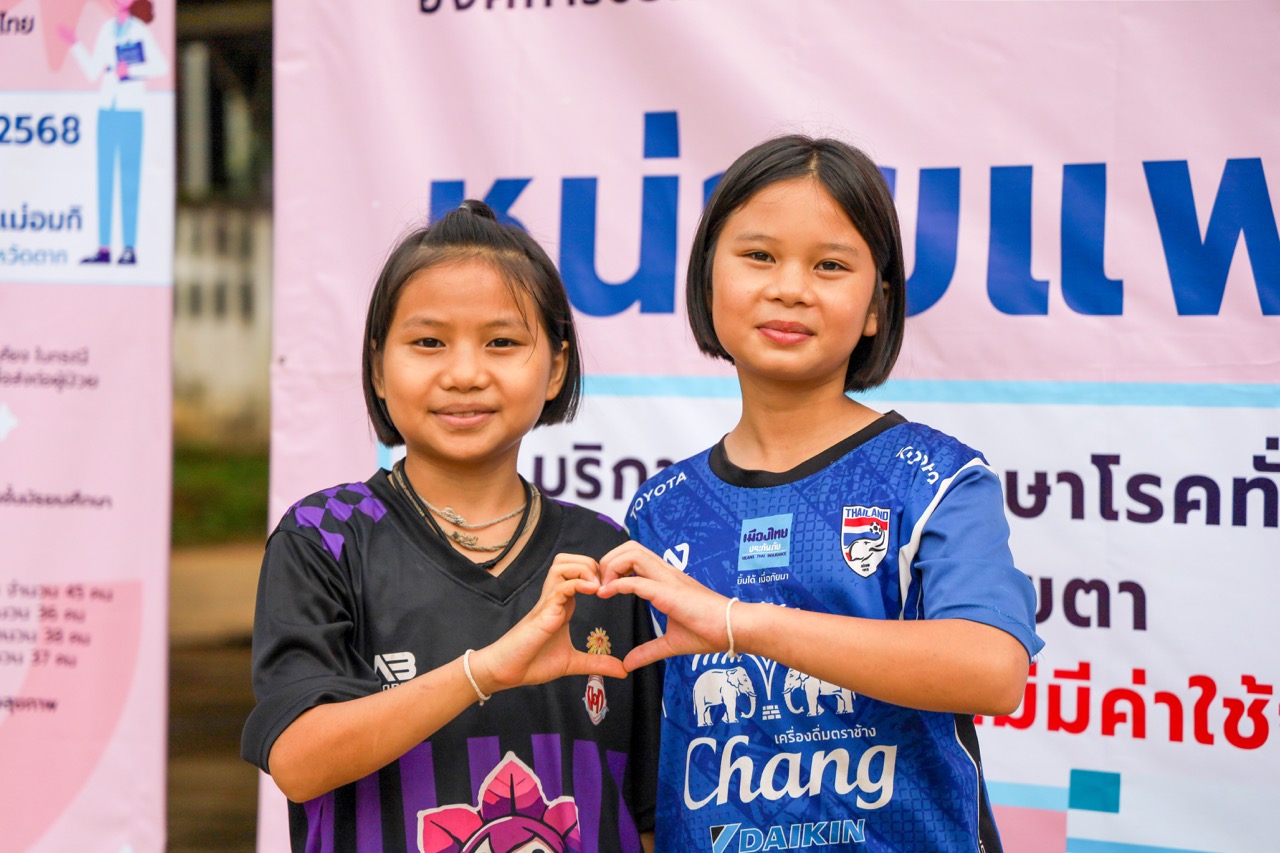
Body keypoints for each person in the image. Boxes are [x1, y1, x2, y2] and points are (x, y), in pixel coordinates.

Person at [596, 136, 1044, 852]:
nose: (790, 288)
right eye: (759, 256)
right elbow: (648, 771)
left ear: (876, 307)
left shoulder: (933, 479)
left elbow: (993, 670)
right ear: (706, 279)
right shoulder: (660, 510)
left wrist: (738, 623)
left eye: (829, 265)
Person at [242, 201, 662, 853]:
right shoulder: (324, 537)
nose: (465, 374)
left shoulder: (603, 556)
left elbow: (644, 812)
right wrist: (484, 671)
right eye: (429, 342)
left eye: (502, 342)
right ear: (378, 367)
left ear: (556, 366)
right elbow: (298, 762)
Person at [58, 1, 167, 265]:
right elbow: (93, 71)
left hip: (131, 111)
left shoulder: (140, 30)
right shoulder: (106, 29)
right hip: (107, 110)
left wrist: (131, 71)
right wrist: (75, 44)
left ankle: (129, 248)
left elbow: (160, 66)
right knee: (104, 179)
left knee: (129, 180)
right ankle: (104, 248)